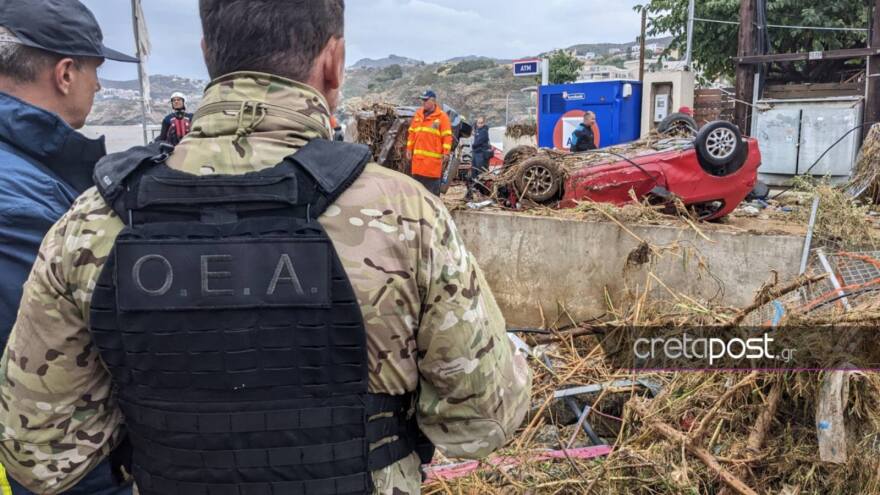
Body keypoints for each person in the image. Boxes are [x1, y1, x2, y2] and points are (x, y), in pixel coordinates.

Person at [0, 2, 532, 495]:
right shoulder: (405, 216)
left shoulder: (91, 224)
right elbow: (482, 421)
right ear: (335, 62)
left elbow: (40, 455)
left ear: (209, 55)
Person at [0, 1, 138, 494]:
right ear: (64, 73)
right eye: (95, 71)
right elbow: (50, 373)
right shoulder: (19, 205)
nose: (98, 87)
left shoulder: (26, 170)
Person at [406, 89, 453, 195]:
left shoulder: (442, 117)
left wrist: (446, 152)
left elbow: (447, 136)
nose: (423, 103)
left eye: (425, 100)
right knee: (417, 195)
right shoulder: (418, 114)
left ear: (433, 101)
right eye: (422, 100)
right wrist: (409, 149)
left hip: (432, 166)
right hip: (417, 165)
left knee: (432, 195)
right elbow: (412, 133)